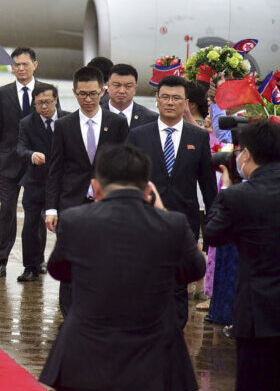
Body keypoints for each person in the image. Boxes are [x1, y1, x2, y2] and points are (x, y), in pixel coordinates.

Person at [39, 144, 205, 391]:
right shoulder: (173, 224)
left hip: (86, 353)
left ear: (96, 188)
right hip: (154, 357)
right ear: (148, 189)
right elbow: (194, 270)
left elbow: (58, 270)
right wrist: (161, 211)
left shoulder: (75, 220)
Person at [126, 74, 218, 327]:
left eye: (176, 98)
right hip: (143, 222)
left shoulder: (197, 137)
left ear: (185, 103)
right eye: (164, 97)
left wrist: (212, 227)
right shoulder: (138, 135)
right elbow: (126, 180)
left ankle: (174, 336)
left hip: (182, 224)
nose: (169, 102)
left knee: (178, 285)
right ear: (156, 99)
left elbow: (208, 186)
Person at [45, 66, 129, 314]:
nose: (88, 99)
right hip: (72, 204)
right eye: (82, 94)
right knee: (70, 260)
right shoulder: (64, 125)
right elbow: (55, 169)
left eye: (93, 93)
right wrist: (51, 208)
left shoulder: (117, 124)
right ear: (74, 93)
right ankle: (69, 314)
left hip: (107, 204)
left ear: (103, 91)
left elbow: (123, 165)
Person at [204, 120, 280, 391]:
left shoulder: (238, 196)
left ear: (245, 154)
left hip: (257, 316)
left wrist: (225, 189)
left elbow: (212, 234)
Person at [0, 47, 40, 278]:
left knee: (35, 212)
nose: (20, 68)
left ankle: (35, 262)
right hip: (7, 163)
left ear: (34, 65)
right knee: (7, 211)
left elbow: (53, 130)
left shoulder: (45, 92)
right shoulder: (2, 94)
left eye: (24, 64)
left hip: (37, 162)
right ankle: (1, 260)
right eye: (16, 64)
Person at [15, 83, 68, 282]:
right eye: (39, 103)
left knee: (64, 225)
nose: (44, 107)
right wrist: (31, 155)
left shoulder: (68, 119)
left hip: (62, 183)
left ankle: (65, 266)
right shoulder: (27, 123)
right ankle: (31, 266)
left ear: (55, 100)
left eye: (47, 102)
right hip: (35, 181)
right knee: (30, 225)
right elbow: (20, 148)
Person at [106, 63, 158, 128]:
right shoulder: (96, 115)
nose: (122, 91)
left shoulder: (151, 119)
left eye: (128, 86)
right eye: (117, 85)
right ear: (108, 86)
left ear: (135, 89)